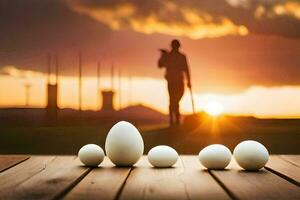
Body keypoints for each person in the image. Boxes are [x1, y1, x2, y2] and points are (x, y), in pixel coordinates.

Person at [158, 39, 191, 126]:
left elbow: (186, 69)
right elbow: (160, 65)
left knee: (175, 100)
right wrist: (163, 55)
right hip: (172, 81)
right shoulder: (168, 56)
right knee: (173, 100)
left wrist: (189, 81)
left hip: (179, 81)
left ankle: (175, 119)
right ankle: (173, 120)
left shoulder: (181, 57)